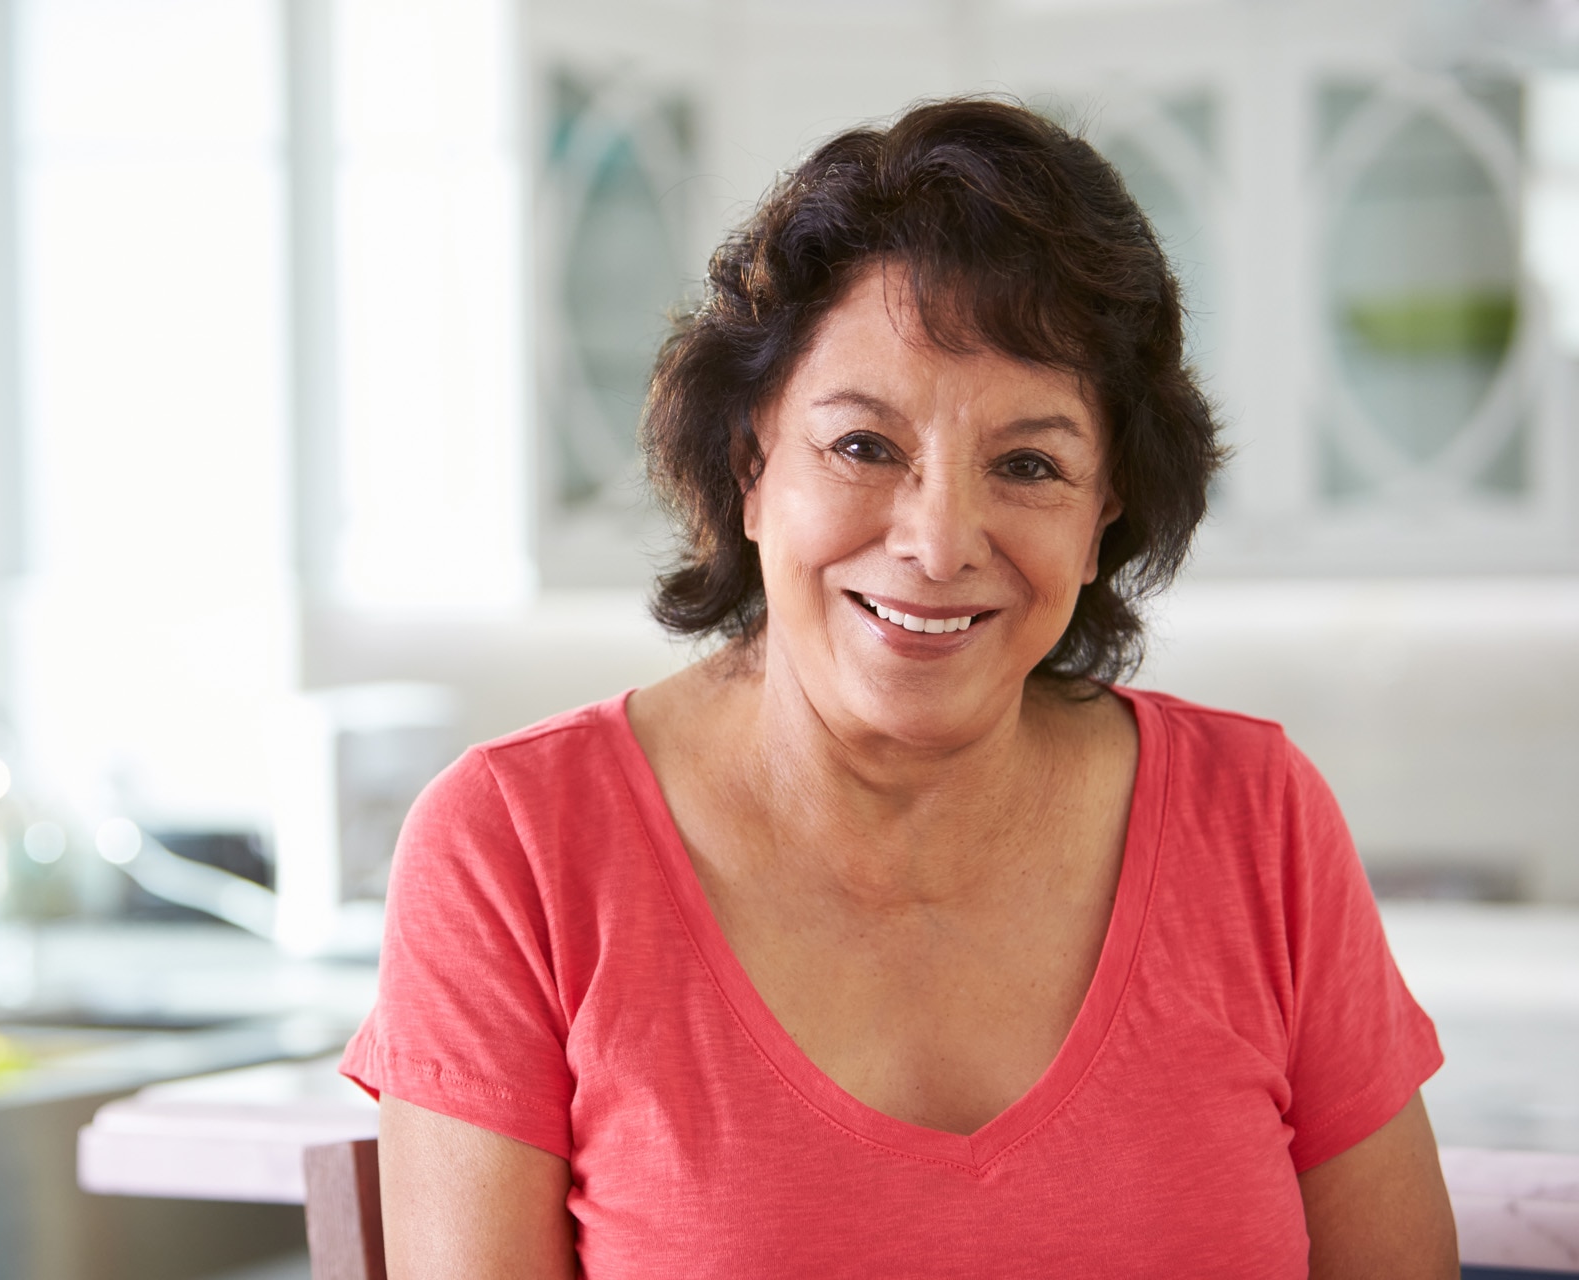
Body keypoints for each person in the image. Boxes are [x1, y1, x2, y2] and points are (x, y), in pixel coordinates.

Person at [340, 97, 1455, 1278]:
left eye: (1028, 464)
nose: (937, 540)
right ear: (750, 464)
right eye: (864, 446)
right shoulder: (513, 848)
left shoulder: (1260, 820)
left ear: (1101, 518)